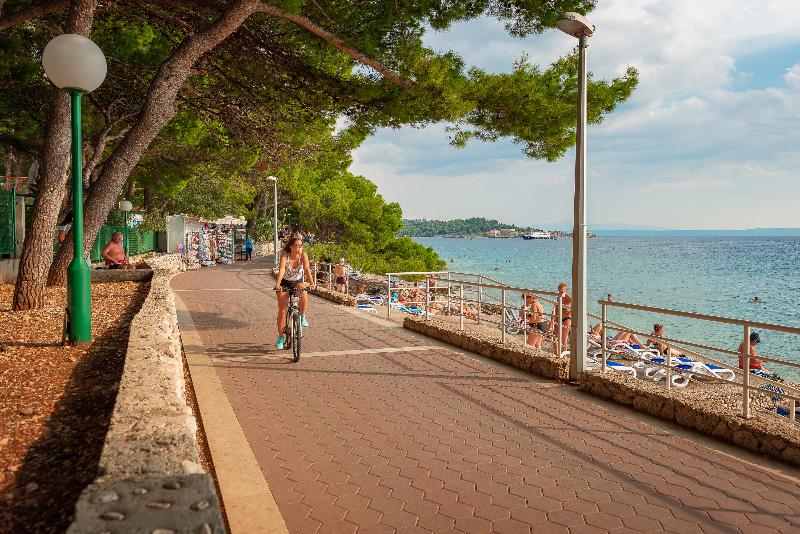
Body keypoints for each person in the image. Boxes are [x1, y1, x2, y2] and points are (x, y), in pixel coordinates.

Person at [274, 237, 315, 349]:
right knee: (282, 310)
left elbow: (306, 269)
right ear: (291, 247)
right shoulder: (285, 255)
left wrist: (312, 283)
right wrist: (278, 284)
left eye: (301, 245)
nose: (300, 247)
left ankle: (302, 316)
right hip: (285, 282)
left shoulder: (303, 255)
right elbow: (282, 269)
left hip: (298, 282)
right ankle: (281, 337)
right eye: (298, 245)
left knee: (303, 290)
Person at [552, 282, 572, 355]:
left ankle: (563, 355)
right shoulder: (558, 297)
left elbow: (575, 306)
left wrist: (569, 311)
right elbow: (555, 309)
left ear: (566, 290)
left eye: (562, 290)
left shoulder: (569, 298)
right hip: (558, 319)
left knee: (564, 339)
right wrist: (553, 319)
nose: (560, 291)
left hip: (566, 319)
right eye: (559, 290)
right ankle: (556, 353)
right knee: (554, 337)